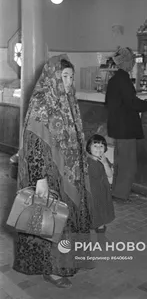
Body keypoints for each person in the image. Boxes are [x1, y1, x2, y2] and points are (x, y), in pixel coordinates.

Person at [13, 55, 92, 289]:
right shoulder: (42, 102)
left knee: (63, 221)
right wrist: (40, 179)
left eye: (71, 77)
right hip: (50, 175)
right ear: (52, 78)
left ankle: (65, 262)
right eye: (64, 77)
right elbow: (34, 143)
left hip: (70, 175)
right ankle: (53, 269)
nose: (69, 82)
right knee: (52, 223)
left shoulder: (68, 100)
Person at [105, 47, 147, 202]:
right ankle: (120, 194)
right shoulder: (124, 80)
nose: (133, 63)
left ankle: (116, 190)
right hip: (126, 128)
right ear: (126, 62)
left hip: (117, 127)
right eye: (132, 60)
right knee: (128, 164)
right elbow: (132, 103)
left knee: (120, 162)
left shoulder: (114, 79)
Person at [86, 134, 115, 233]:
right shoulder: (86, 161)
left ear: (105, 148)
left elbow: (110, 175)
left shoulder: (105, 160)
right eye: (95, 146)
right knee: (93, 212)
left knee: (102, 213)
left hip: (103, 191)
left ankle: (101, 237)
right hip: (91, 193)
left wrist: (105, 163)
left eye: (101, 146)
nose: (99, 148)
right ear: (89, 148)